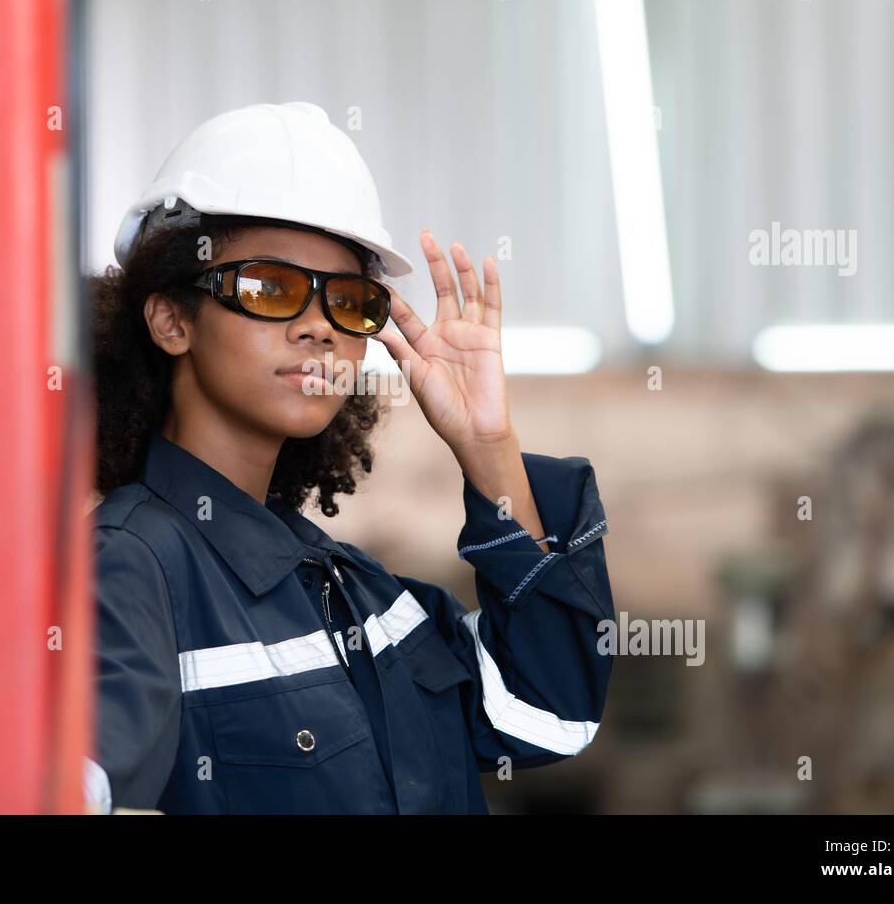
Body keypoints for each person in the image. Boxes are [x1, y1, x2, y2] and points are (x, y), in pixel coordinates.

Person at [86, 101, 613, 814]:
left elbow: (552, 715)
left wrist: (488, 450)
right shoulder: (133, 568)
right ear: (173, 319)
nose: (319, 329)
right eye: (270, 288)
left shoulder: (358, 593)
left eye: (350, 302)